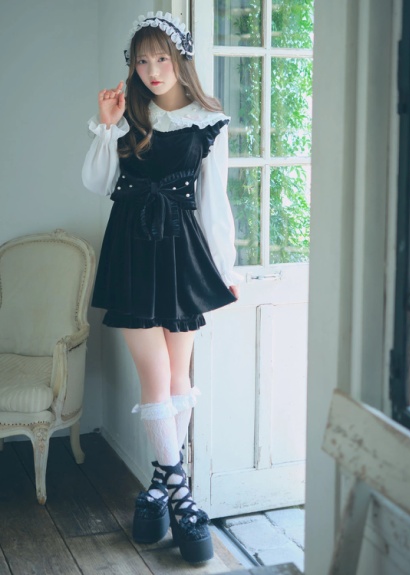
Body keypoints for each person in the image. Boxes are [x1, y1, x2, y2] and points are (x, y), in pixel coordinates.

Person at [82, 11, 241, 564]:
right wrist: (106, 125)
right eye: (142, 60)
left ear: (180, 61)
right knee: (155, 378)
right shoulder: (128, 115)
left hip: (183, 252)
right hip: (132, 249)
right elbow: (97, 183)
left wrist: (225, 268)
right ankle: (181, 496)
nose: (152, 70)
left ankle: (156, 490)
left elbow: (215, 202)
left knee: (178, 377)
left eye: (162, 59)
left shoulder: (208, 121)